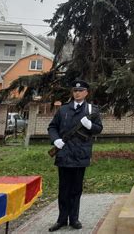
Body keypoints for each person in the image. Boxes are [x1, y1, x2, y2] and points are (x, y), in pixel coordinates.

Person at [47, 80, 103, 231]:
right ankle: (61, 219)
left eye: (81, 90)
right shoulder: (63, 110)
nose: (77, 93)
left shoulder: (92, 110)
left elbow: (99, 129)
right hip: (64, 154)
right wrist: (56, 140)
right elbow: (52, 127)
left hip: (80, 154)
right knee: (63, 189)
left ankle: (74, 219)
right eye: (75, 91)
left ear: (86, 93)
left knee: (76, 189)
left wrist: (90, 125)